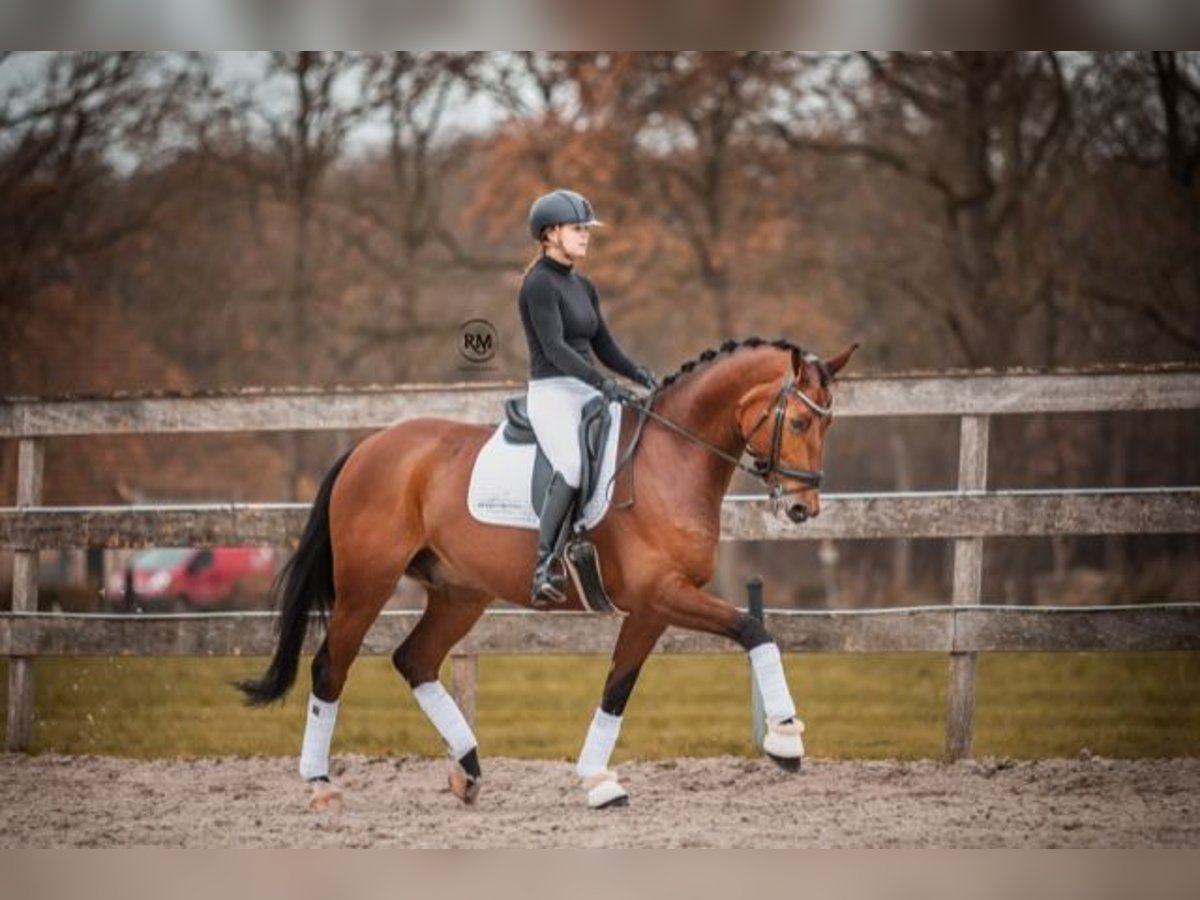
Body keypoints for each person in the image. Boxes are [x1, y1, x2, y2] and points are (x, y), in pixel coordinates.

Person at [519, 188, 657, 605]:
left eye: (586, 230)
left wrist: (639, 374)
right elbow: (556, 348)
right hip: (553, 392)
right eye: (578, 229)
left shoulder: (585, 286)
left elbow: (605, 347)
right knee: (574, 466)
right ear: (550, 233)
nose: (586, 236)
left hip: (587, 387)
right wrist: (602, 383)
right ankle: (544, 565)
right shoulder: (538, 285)